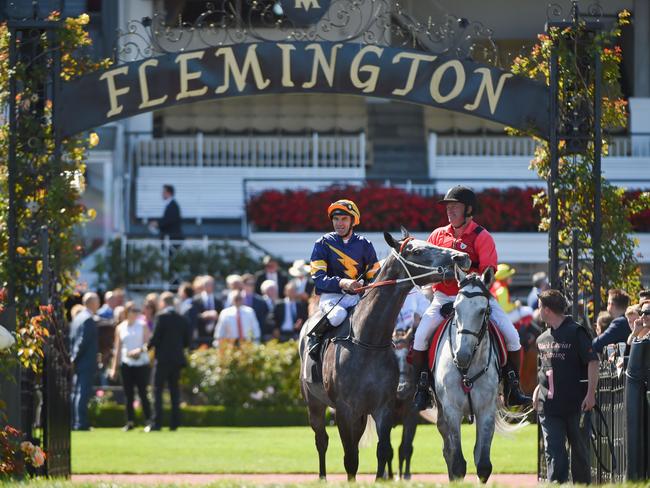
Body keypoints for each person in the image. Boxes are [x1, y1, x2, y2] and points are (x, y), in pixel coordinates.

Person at [412, 186, 530, 410]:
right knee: (419, 337)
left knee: (512, 336)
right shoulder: (437, 235)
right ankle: (422, 388)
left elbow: (488, 272)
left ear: (468, 209)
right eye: (448, 207)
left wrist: (463, 287)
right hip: (444, 299)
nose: (450, 211)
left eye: (454, 206)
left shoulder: (481, 236)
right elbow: (426, 269)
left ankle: (513, 388)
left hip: (476, 299)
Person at [533, 289, 598, 485]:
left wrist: (591, 394)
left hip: (575, 404)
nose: (538, 312)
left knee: (579, 452)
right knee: (554, 451)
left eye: (539, 308)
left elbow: (593, 361)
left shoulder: (576, 332)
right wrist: (538, 389)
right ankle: (557, 484)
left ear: (547, 310)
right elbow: (545, 369)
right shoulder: (541, 339)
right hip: (549, 406)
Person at [307, 199, 380, 359]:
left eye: (344, 219)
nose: (339, 223)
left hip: (357, 298)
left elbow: (374, 276)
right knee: (338, 315)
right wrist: (343, 282)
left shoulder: (365, 244)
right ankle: (315, 337)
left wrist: (366, 285)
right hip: (331, 297)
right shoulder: (322, 243)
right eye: (336, 219)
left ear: (353, 221)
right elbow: (318, 279)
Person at [146, 292, 190, 431]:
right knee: (174, 391)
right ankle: (175, 423)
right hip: (177, 360)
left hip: (163, 359)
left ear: (163, 303)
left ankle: (156, 423)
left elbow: (155, 337)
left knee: (157, 390)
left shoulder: (161, 317)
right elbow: (186, 341)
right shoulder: (182, 319)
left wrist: (146, 348)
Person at [109, 302, 152, 431]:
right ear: (127, 312)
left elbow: (148, 344)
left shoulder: (143, 326)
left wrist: (139, 351)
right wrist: (114, 367)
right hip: (126, 364)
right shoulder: (120, 327)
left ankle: (149, 420)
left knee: (143, 393)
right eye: (133, 310)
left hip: (141, 363)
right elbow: (118, 349)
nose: (136, 313)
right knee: (128, 394)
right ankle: (130, 421)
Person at [70, 292, 100, 431]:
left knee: (77, 392)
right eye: (97, 301)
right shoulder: (88, 319)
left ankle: (76, 421)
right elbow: (83, 341)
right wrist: (75, 358)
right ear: (92, 303)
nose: (99, 304)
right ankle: (80, 422)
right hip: (85, 361)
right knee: (82, 392)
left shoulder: (78, 318)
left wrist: (73, 359)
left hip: (80, 361)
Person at [592, 289, 631, 354]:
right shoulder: (627, 320)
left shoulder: (619, 323)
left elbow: (597, 344)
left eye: (608, 303)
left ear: (611, 304)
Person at [192, 275, 223, 346]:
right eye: (206, 284)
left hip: (214, 335)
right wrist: (203, 316)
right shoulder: (196, 300)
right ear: (203, 285)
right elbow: (193, 316)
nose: (209, 286)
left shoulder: (218, 301)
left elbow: (222, 317)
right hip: (200, 336)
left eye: (211, 284)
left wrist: (216, 316)